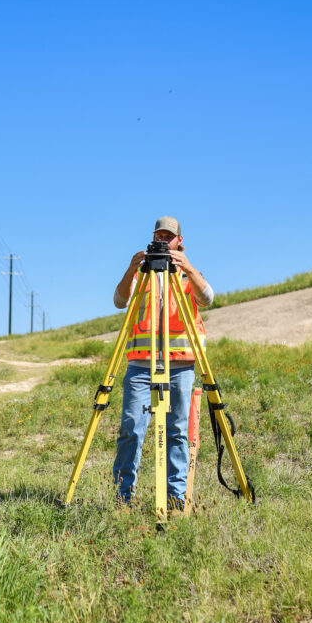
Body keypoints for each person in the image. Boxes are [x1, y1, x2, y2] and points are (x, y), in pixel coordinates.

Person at [111, 216, 214, 509]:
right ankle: (122, 498)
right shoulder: (142, 274)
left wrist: (188, 267)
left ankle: (175, 499)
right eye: (159, 235)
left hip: (180, 364)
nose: (163, 240)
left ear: (179, 241)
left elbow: (207, 298)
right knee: (131, 428)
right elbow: (120, 301)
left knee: (177, 431)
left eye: (169, 236)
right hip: (141, 365)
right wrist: (132, 268)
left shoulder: (186, 274)